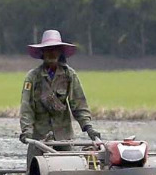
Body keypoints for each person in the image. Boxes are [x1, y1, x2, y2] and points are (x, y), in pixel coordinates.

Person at [19, 29, 100, 164]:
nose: (51, 53)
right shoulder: (33, 77)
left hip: (64, 137)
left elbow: (78, 104)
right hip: (40, 138)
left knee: (68, 172)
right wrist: (26, 131)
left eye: (55, 49)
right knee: (35, 173)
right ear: (42, 53)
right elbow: (26, 107)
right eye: (48, 49)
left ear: (60, 52)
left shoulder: (69, 75)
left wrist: (88, 128)